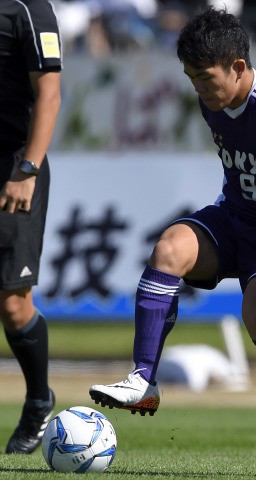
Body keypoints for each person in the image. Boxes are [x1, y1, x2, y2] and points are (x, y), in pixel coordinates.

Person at [88, 7, 256, 477]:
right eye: (191, 77)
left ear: (238, 66)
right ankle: (143, 379)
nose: (198, 87)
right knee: (169, 250)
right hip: (233, 217)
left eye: (204, 77)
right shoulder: (212, 99)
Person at [0, 0, 62, 455]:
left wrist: (27, 167)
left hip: (14, 168)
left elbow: (49, 93)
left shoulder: (28, 8)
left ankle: (39, 399)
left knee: (14, 304)